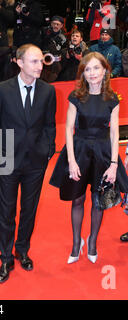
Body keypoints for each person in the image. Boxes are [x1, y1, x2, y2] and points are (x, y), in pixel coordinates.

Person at [50, 52, 128, 264]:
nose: (92, 73)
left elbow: (113, 133)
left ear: (105, 71)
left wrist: (113, 164)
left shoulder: (112, 98)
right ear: (83, 73)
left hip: (103, 152)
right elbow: (68, 128)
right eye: (88, 69)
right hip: (80, 149)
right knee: (77, 199)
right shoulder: (76, 96)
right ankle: (77, 243)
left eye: (96, 68)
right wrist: (71, 160)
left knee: (98, 200)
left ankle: (92, 241)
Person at [0, 44, 56, 283]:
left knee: (29, 210)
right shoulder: (1, 90)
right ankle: (5, 257)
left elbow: (49, 124)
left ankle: (22, 250)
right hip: (8, 159)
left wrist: (48, 149)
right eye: (34, 61)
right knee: (6, 212)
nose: (40, 65)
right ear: (19, 62)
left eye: (41, 61)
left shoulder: (48, 91)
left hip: (36, 162)